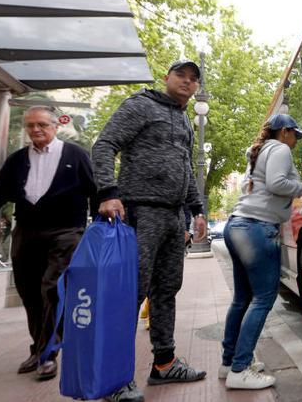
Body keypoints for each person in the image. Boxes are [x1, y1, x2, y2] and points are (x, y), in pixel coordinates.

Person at [93, 59, 208, 402]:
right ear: (166, 78)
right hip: (140, 212)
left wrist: (198, 210)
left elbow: (186, 168)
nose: (187, 82)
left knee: (167, 290)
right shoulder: (141, 105)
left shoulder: (184, 119)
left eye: (193, 79)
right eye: (181, 76)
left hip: (174, 217)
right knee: (131, 292)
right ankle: (114, 379)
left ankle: (164, 362)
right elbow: (104, 145)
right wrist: (108, 193)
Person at [0, 106, 97, 381]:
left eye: (41, 124)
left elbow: (95, 190)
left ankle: (48, 354)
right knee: (30, 292)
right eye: (30, 126)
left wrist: (101, 226)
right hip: (26, 232)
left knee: (53, 288)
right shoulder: (17, 160)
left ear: (54, 126)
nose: (35, 130)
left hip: (66, 231)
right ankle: (39, 347)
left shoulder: (75, 155)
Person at [220, 113, 302, 389]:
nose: (296, 141)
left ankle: (229, 363)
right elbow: (277, 184)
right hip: (258, 228)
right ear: (284, 132)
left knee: (241, 299)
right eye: (296, 135)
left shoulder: (259, 151)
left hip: (236, 225)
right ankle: (240, 369)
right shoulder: (280, 149)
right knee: (263, 298)